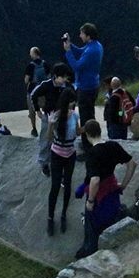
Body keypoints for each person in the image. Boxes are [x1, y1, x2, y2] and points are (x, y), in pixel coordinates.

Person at [74, 119, 137, 258]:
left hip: (98, 198)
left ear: (87, 135)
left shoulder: (91, 154)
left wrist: (90, 201)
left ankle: (88, 253)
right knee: (112, 222)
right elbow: (132, 164)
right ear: (100, 131)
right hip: (112, 192)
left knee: (92, 229)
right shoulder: (113, 146)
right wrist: (124, 184)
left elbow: (95, 180)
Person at [41, 65, 80, 237]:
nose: (73, 106)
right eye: (72, 103)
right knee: (55, 186)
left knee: (68, 184)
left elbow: (78, 132)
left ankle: (63, 213)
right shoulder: (55, 116)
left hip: (70, 153)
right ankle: (50, 217)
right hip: (57, 154)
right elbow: (49, 139)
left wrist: (89, 129)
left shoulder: (75, 116)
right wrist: (50, 124)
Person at [65, 24, 106, 124]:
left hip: (86, 88)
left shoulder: (92, 50)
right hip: (92, 84)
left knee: (85, 117)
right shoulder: (95, 45)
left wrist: (68, 52)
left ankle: (88, 138)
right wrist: (70, 44)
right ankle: (93, 135)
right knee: (89, 114)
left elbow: (76, 67)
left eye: (82, 34)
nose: (80, 36)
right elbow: (81, 52)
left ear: (88, 36)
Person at [25, 46, 51, 136]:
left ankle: (34, 129)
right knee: (46, 109)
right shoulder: (45, 64)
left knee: (32, 111)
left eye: (31, 52)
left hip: (32, 90)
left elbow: (26, 80)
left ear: (34, 53)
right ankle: (48, 126)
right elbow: (49, 77)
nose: (30, 54)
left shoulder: (30, 66)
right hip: (44, 90)